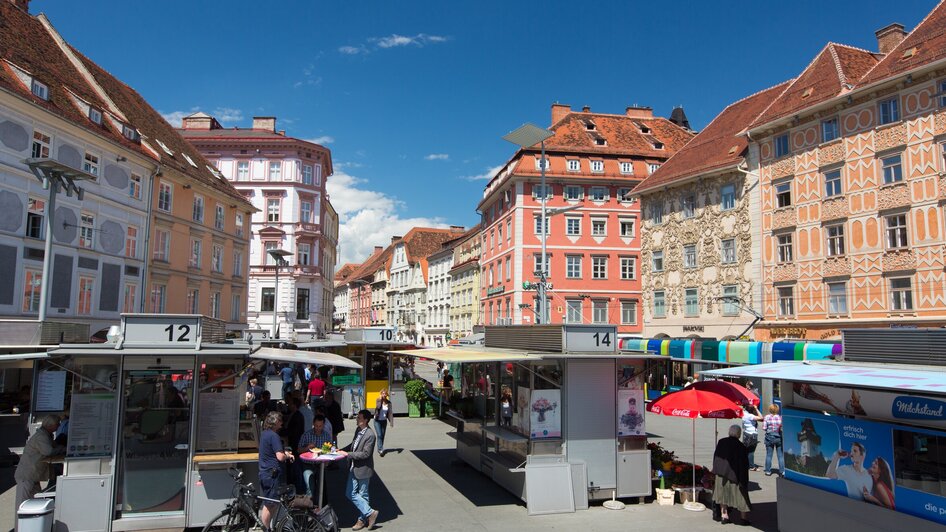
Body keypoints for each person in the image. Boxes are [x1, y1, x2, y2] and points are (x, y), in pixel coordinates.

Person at [15, 415, 65, 511]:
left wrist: (61, 448)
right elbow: (49, 451)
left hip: (33, 476)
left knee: (35, 504)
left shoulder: (47, 435)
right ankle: (20, 526)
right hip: (26, 476)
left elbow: (55, 446)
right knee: (22, 505)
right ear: (50, 425)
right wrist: (62, 449)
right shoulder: (41, 436)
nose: (59, 426)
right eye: (57, 424)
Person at [341, 409, 379, 531]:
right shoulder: (358, 430)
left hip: (363, 469)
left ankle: (361, 520)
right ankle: (370, 513)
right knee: (349, 493)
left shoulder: (370, 435)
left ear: (366, 420)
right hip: (354, 467)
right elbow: (353, 445)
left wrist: (348, 454)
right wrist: (341, 450)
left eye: (359, 418)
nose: (357, 419)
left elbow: (365, 454)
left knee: (363, 495)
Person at [259, 411, 293, 529]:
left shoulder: (264, 434)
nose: (282, 423)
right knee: (270, 504)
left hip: (264, 472)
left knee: (271, 503)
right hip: (272, 474)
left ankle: (268, 527)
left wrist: (284, 452)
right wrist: (287, 456)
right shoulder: (274, 436)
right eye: (280, 421)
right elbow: (280, 456)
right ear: (275, 422)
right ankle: (265, 528)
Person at [712, 424, 752, 525]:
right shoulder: (741, 446)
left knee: (722, 494)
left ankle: (724, 516)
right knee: (741, 495)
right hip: (735, 475)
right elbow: (743, 464)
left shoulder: (721, 442)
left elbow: (716, 456)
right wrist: (744, 480)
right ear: (739, 434)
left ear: (729, 432)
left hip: (721, 472)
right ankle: (743, 518)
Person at [298, 415, 333, 497]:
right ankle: (310, 507)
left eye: (320, 426)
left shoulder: (326, 435)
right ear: (313, 424)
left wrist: (327, 455)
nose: (318, 428)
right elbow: (299, 450)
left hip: (320, 464)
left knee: (321, 487)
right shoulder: (307, 435)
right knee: (310, 487)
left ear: (323, 425)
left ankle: (320, 506)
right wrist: (307, 447)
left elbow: (329, 450)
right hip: (308, 464)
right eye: (316, 426)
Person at [762, 404, 784, 476]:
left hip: (769, 437)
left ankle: (768, 471)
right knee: (780, 455)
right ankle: (782, 471)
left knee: (769, 455)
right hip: (778, 437)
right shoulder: (780, 418)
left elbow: (764, 428)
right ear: (777, 410)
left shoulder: (767, 417)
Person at [742, 403, 763, 471]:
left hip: (746, 433)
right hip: (752, 434)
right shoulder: (750, 416)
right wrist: (756, 409)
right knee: (751, 451)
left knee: (745, 450)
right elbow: (761, 418)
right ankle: (751, 466)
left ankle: (745, 464)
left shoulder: (743, 413)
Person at [374, 389, 394, 456]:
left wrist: (391, 422)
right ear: (381, 394)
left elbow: (390, 413)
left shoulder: (389, 403)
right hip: (377, 421)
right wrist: (380, 400)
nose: (384, 395)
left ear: (387, 395)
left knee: (382, 435)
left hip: (384, 421)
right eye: (382, 393)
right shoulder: (378, 400)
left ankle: (380, 447)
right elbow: (378, 407)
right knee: (379, 435)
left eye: (385, 394)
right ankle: (380, 449)